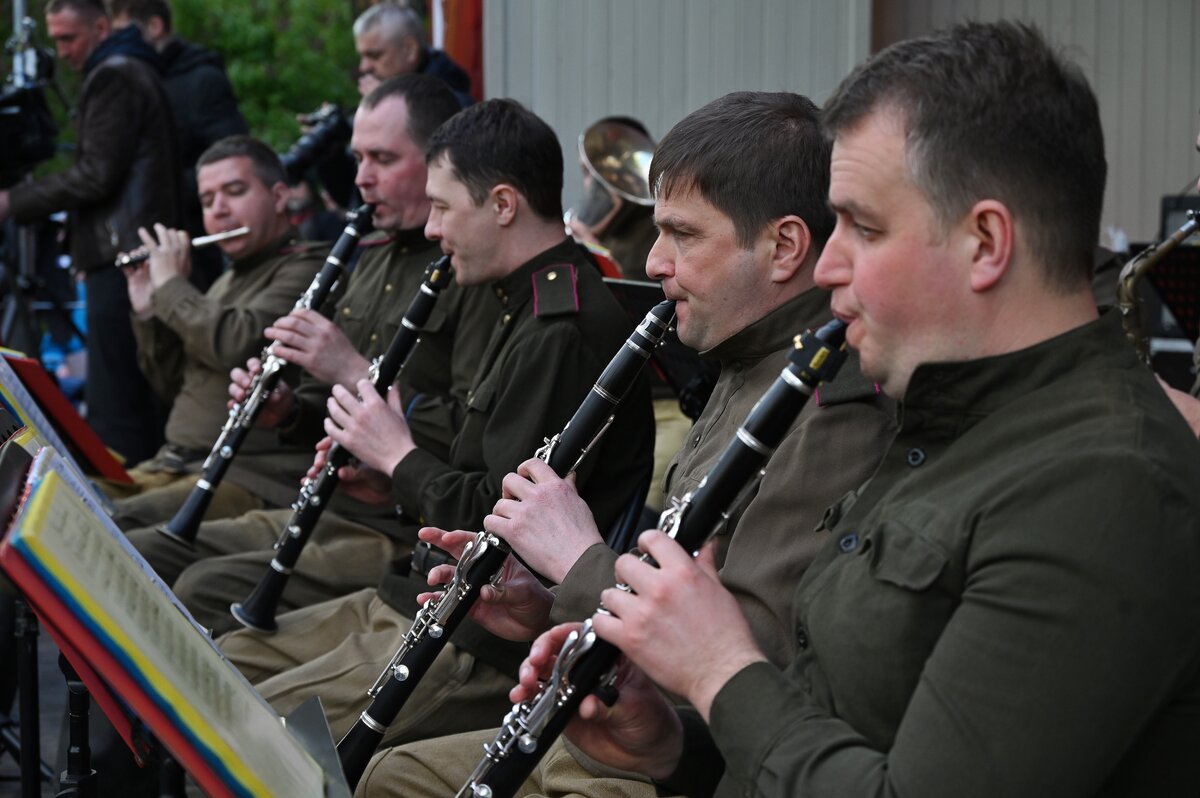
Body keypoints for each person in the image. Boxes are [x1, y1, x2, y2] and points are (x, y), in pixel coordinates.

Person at [475, 21, 1200, 797]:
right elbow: (839, 722)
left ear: (986, 242)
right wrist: (674, 747)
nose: (826, 266)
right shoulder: (948, 414)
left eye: (864, 227)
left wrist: (720, 670)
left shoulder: (1105, 484)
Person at [341, 91, 895, 797]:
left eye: (682, 235)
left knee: (390, 780)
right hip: (627, 710)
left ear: (784, 247)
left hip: (693, 754)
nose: (654, 261)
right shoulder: (740, 356)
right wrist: (547, 598)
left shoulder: (827, 407)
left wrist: (576, 559)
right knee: (392, 773)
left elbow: (751, 650)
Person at [214, 98, 657, 749]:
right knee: (220, 667)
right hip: (431, 597)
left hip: (480, 637)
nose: (431, 228)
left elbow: (503, 527)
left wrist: (398, 456)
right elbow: (476, 467)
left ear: (502, 205)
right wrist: (386, 476)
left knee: (240, 732)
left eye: (443, 207)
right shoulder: (514, 299)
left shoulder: (557, 329)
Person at [119, 75, 487, 634]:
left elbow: (467, 435)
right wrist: (288, 410)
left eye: (383, 159)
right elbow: (321, 405)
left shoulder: (466, 268)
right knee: (137, 548)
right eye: (358, 158)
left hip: (403, 523)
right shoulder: (372, 255)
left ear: (439, 161)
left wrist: (351, 370)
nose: (360, 178)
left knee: (196, 586)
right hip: (331, 500)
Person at [0, 0, 180, 466]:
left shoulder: (115, 75)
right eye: (55, 40)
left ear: (101, 27)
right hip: (128, 255)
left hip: (122, 260)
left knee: (115, 403)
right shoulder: (129, 69)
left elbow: (96, 174)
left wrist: (13, 201)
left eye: (69, 38)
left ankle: (119, 498)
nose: (61, 51)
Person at [110, 135, 325, 516]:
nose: (219, 210)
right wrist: (147, 309)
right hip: (175, 463)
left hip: (244, 476)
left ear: (278, 197)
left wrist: (171, 286)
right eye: (207, 200)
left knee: (111, 523)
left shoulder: (310, 268)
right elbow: (176, 386)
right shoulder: (226, 281)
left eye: (235, 192)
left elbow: (236, 344)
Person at [108, 0, 249, 290]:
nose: (118, 43)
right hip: (148, 242)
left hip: (195, 241)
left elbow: (234, 157)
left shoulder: (202, 81)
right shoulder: (135, 80)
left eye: (124, 33)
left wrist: (162, 189)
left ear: (155, 27)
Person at [353, 2, 473, 104]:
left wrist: (387, 102)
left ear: (410, 50)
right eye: (362, 56)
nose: (364, 67)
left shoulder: (451, 102)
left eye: (375, 55)